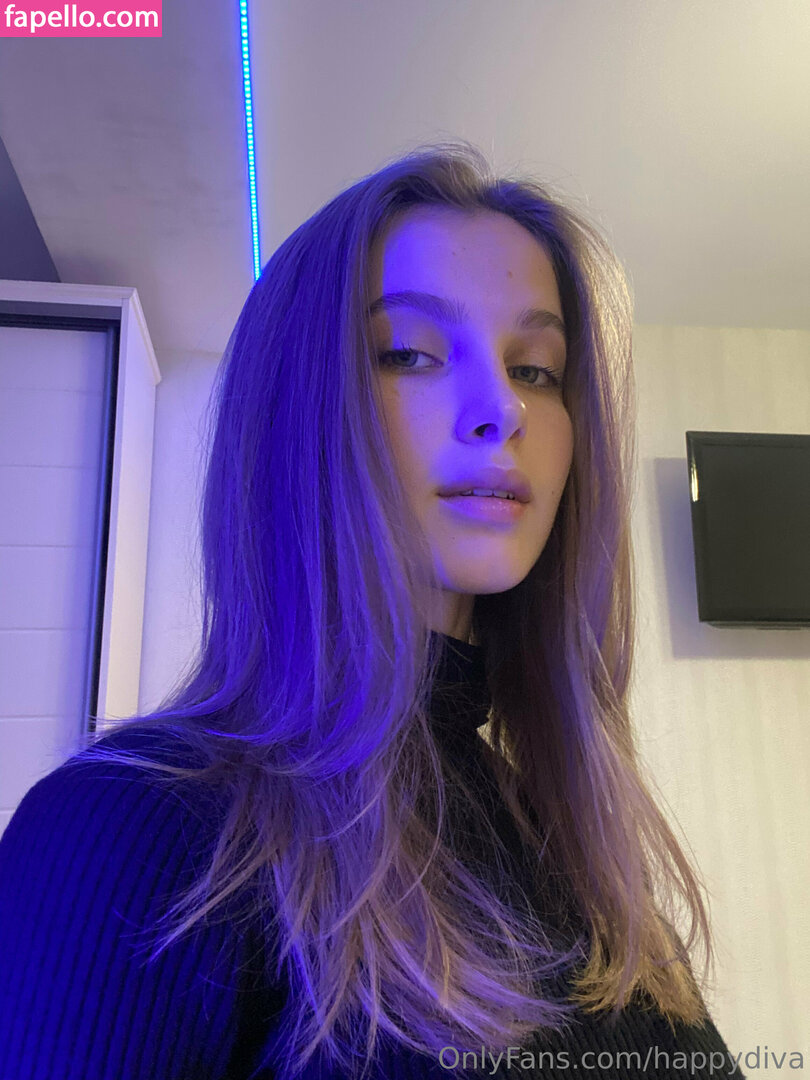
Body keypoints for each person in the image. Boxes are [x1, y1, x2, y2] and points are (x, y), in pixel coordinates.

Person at [0, 141, 744, 1080]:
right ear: (293, 414)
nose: (501, 409)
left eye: (536, 369)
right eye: (407, 354)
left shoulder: (577, 852)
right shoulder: (135, 827)